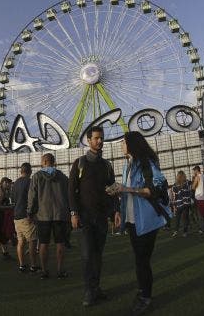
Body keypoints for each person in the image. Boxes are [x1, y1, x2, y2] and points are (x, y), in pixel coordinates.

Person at [116, 131, 169, 315]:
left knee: (142, 261)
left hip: (146, 220)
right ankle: (143, 292)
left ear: (132, 144)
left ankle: (146, 298)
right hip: (132, 220)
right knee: (139, 260)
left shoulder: (147, 163)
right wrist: (119, 201)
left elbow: (155, 188)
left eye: (123, 142)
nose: (121, 145)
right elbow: (127, 193)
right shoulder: (127, 165)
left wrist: (127, 188)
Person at [68, 126, 116, 307]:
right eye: (96, 138)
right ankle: (89, 290)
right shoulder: (79, 163)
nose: (100, 141)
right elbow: (71, 191)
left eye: (101, 138)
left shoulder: (107, 165)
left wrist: (115, 211)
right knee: (87, 255)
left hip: (102, 217)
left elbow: (112, 190)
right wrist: (73, 213)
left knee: (98, 255)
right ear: (88, 140)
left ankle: (96, 288)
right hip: (85, 217)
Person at [28, 153, 70, 279]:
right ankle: (60, 270)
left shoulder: (36, 177)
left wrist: (30, 212)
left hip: (43, 215)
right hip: (60, 214)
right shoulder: (62, 177)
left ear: (44, 162)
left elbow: (32, 196)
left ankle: (45, 271)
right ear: (53, 161)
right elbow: (68, 195)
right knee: (60, 243)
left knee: (43, 244)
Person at [13, 162, 38, 273]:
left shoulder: (15, 183)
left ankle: (22, 265)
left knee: (20, 242)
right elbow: (33, 198)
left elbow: (13, 199)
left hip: (16, 216)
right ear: (30, 171)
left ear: (21, 171)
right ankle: (33, 265)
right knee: (32, 241)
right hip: (26, 215)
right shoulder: (30, 182)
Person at [171, 171, 191, 237]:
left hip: (179, 203)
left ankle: (176, 231)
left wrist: (174, 205)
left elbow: (175, 196)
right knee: (185, 218)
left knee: (177, 218)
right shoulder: (187, 182)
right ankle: (185, 232)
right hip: (186, 203)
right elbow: (190, 191)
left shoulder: (175, 185)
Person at [192, 165, 204, 234]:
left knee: (200, 214)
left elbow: (193, 187)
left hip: (198, 197)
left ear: (196, 170)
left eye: (194, 171)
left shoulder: (197, 177)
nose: (193, 172)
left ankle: (202, 228)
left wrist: (194, 181)